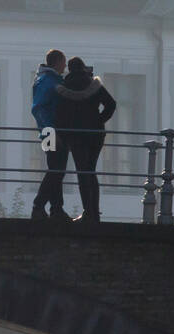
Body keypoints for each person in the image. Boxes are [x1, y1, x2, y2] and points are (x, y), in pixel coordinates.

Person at [54, 57, 115, 223]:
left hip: (76, 135)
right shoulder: (94, 85)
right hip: (96, 134)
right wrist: (99, 120)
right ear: (83, 68)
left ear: (70, 69)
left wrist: (61, 134)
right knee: (91, 171)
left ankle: (88, 212)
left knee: (82, 172)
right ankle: (95, 212)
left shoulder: (64, 87)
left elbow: (59, 114)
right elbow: (111, 104)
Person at [30, 50, 71, 221]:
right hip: (52, 131)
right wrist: (51, 130)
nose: (65, 66)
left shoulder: (45, 80)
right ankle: (40, 206)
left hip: (48, 131)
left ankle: (56, 208)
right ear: (57, 62)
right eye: (64, 62)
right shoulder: (49, 81)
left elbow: (39, 107)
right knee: (56, 170)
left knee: (56, 169)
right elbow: (39, 108)